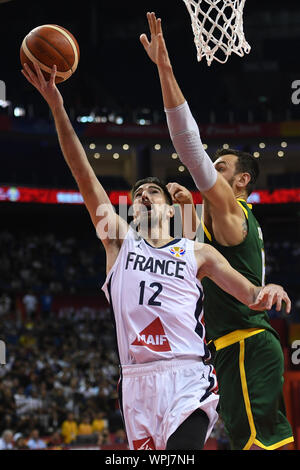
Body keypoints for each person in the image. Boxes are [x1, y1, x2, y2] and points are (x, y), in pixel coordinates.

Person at [21, 60, 291, 451]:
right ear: (132, 211)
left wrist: (270, 288)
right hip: (136, 381)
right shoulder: (118, 241)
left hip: (187, 376)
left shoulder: (199, 252)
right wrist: (56, 104)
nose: (144, 196)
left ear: (170, 210)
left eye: (154, 193)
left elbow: (251, 294)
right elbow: (82, 172)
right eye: (137, 195)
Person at [140, 12, 294, 450]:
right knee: (259, 441)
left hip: (245, 341)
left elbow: (189, 149)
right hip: (230, 347)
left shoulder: (230, 206)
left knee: (261, 445)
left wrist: (165, 69)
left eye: (222, 167)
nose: (212, 171)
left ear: (242, 180)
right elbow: (188, 258)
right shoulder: (217, 220)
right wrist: (186, 209)